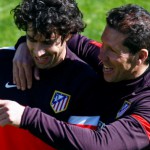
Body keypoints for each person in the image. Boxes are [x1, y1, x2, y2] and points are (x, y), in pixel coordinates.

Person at [1, 3, 150, 150]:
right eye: (103, 44)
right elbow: (61, 31)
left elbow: (101, 145)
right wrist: (24, 46)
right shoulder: (107, 58)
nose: (101, 55)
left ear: (141, 56)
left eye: (112, 50)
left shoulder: (146, 104)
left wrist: (27, 116)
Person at [0, 0, 101, 150]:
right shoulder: (4, 59)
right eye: (32, 39)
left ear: (67, 35)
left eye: (48, 42)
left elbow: (81, 144)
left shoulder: (85, 81)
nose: (38, 52)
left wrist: (27, 117)